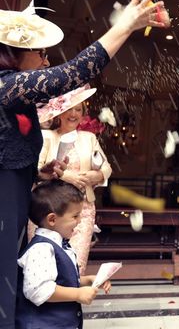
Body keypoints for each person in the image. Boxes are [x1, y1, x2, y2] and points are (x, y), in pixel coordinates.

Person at [0, 0, 169, 329]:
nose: (47, 63)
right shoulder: (5, 86)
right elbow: (75, 72)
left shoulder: (14, 97)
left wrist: (39, 173)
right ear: (15, 55)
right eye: (41, 53)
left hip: (13, 214)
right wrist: (125, 26)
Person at [37, 85, 112, 275]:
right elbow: (36, 170)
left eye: (78, 109)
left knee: (76, 266)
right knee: (45, 266)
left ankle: (71, 301)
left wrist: (98, 175)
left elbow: (106, 167)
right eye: (69, 109)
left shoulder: (89, 138)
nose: (74, 114)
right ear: (59, 113)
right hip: (50, 210)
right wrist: (66, 175)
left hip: (83, 209)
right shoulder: (46, 137)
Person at [16, 180, 112, 329]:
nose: (79, 221)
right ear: (52, 219)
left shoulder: (59, 245)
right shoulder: (41, 249)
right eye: (75, 216)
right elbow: (38, 290)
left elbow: (60, 280)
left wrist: (87, 281)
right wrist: (78, 294)